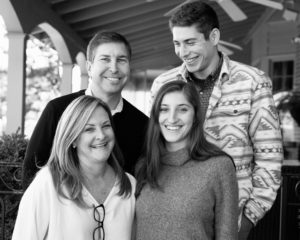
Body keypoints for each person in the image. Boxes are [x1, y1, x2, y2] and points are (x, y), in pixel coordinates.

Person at [150, 2, 283, 239]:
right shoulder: (163, 84)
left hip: (234, 217)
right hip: (175, 218)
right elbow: (155, 150)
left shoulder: (253, 82)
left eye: (190, 42)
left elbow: (270, 157)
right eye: (177, 43)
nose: (183, 52)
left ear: (213, 36)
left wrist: (248, 220)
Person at [22, 31, 148, 189]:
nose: (114, 68)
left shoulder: (142, 124)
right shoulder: (58, 110)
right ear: (89, 67)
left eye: (121, 60)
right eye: (105, 59)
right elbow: (32, 169)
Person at [13, 95, 136, 240]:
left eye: (106, 126)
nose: (101, 135)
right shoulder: (49, 183)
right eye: (89, 129)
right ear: (73, 138)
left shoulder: (130, 186)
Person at [135, 81, 238, 240]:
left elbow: (227, 235)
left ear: (196, 115)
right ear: (156, 115)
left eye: (182, 109)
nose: (172, 118)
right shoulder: (145, 165)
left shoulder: (219, 166)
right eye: (164, 109)